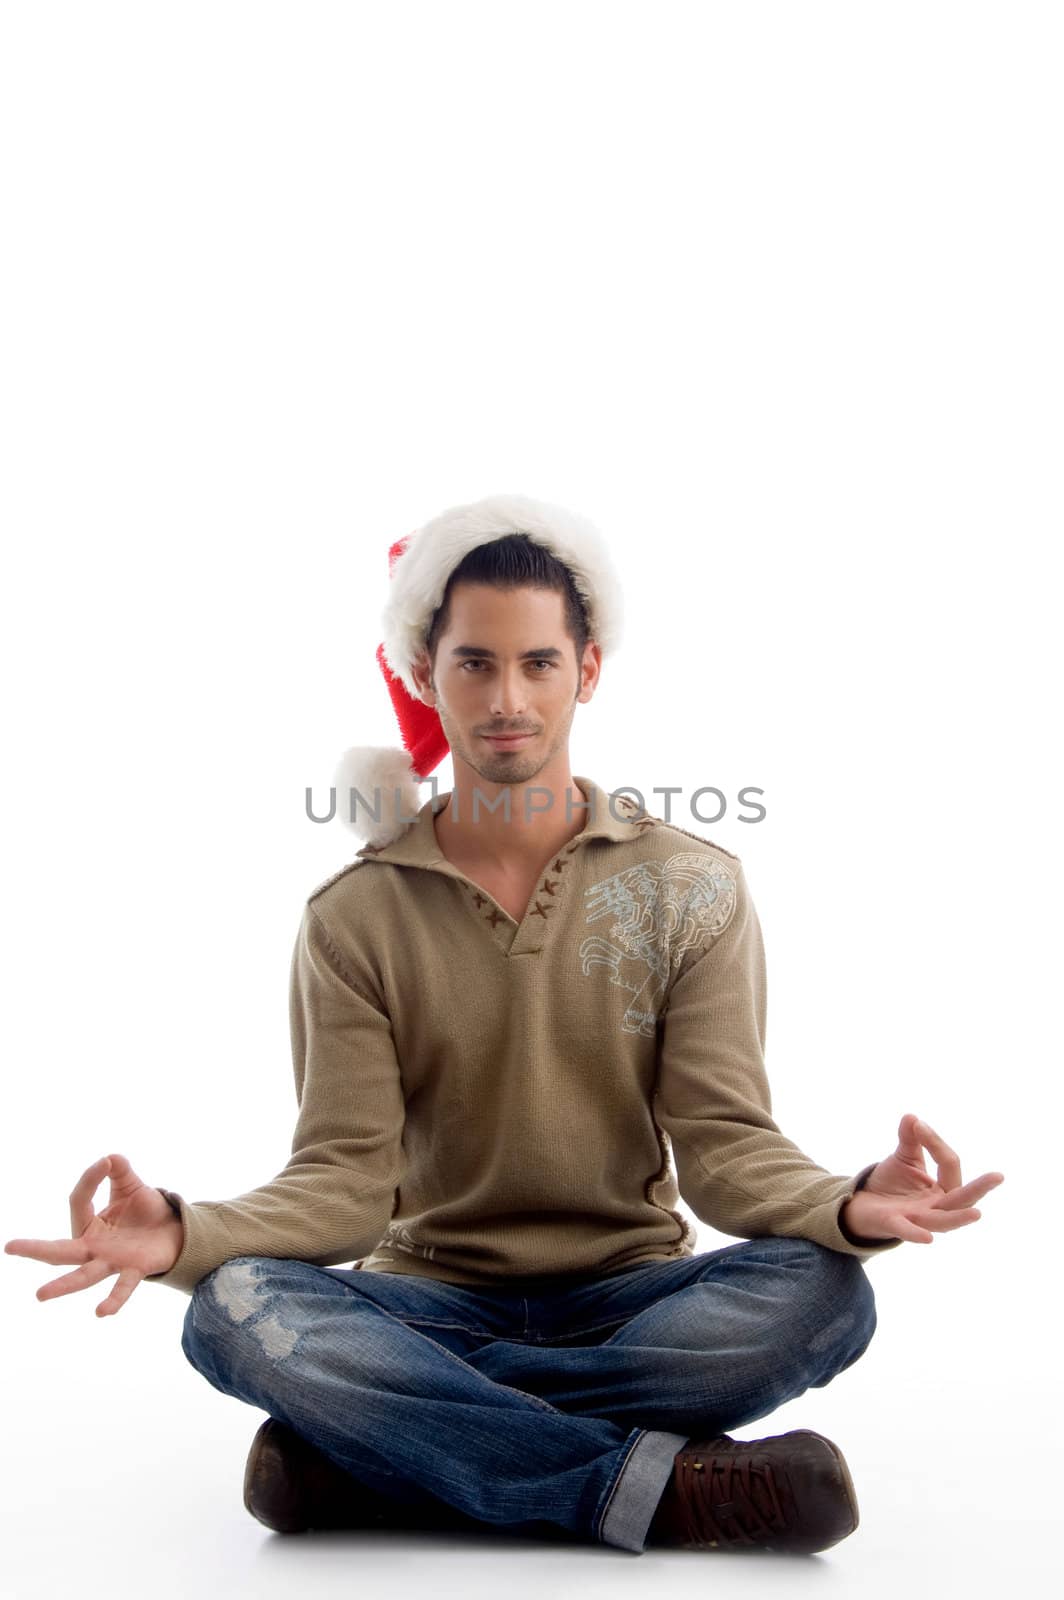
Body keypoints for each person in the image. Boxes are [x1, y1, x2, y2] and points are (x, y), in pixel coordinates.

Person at [5, 493, 1005, 1556]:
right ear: (424, 673)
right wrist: (184, 1233)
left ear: (588, 669)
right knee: (231, 1305)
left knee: (821, 1293)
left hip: (634, 1301)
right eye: (473, 663)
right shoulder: (355, 914)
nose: (506, 696)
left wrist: (844, 1203)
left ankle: (390, 1452)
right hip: (428, 1300)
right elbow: (343, 1185)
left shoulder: (689, 886)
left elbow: (726, 1151)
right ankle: (648, 1490)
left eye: (537, 661)